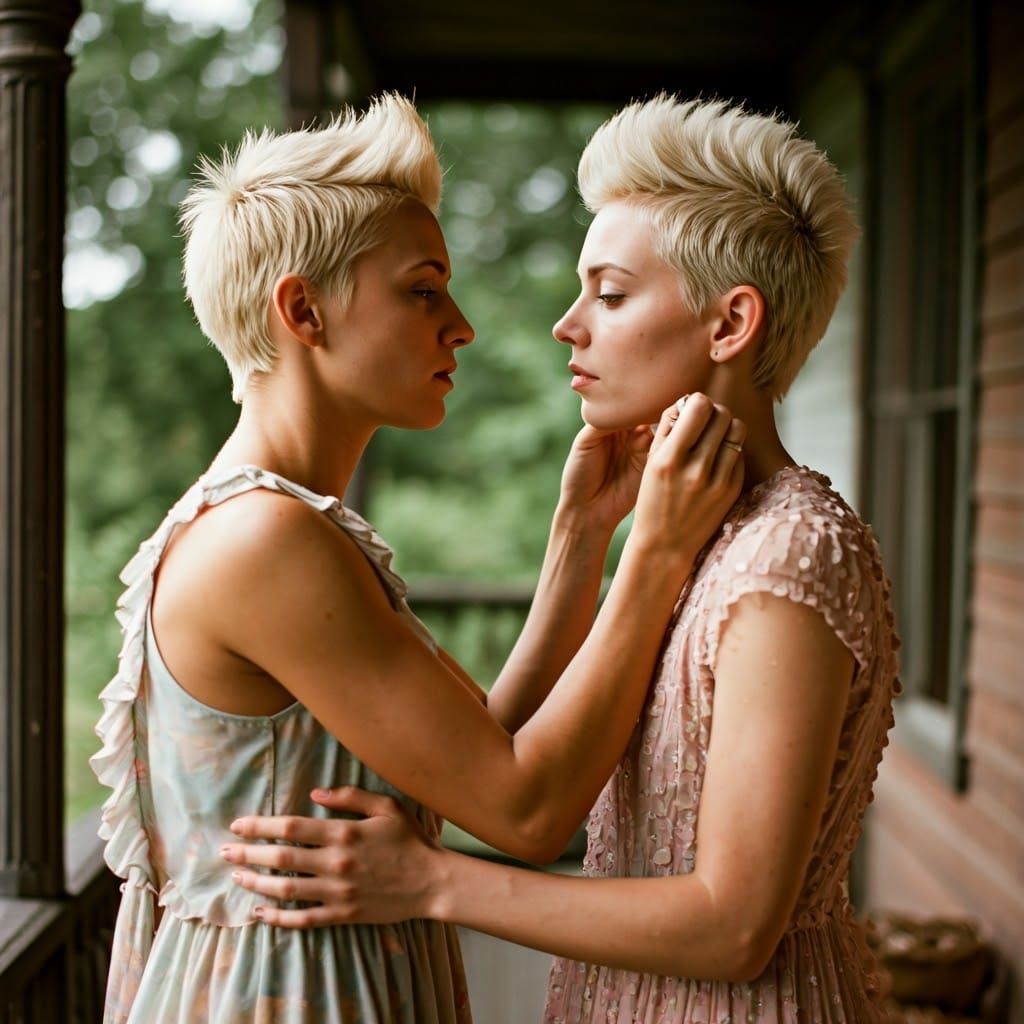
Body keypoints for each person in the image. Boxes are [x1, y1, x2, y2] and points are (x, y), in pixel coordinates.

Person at [222, 96, 902, 1023]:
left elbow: (735, 929)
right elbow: (498, 768)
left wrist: (432, 883)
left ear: (730, 324)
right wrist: (583, 542)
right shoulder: (692, 533)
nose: (567, 325)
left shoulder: (785, 557)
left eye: (610, 293)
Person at [90, 94, 745, 1023]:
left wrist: (582, 542)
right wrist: (658, 553)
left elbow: (476, 764)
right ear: (303, 308)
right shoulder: (263, 543)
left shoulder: (290, 525)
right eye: (423, 289)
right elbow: (526, 813)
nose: (461, 326)